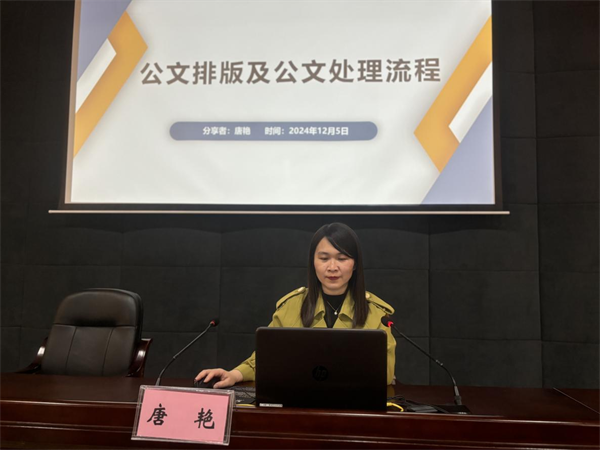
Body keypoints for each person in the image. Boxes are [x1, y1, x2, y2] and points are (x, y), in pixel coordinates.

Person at [195, 222, 397, 387]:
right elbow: (267, 358)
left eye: (342, 258)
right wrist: (234, 374)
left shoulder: (376, 313)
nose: (332, 267)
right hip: (299, 406)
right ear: (313, 262)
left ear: (355, 264)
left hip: (353, 407)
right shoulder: (291, 306)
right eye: (324, 258)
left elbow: (385, 375)